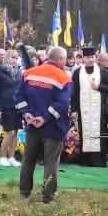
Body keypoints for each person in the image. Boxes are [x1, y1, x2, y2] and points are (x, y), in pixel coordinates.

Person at [14, 45, 72, 203]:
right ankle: (47, 196)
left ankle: (24, 192)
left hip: (31, 124)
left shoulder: (30, 73)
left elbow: (18, 96)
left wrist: (26, 113)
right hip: (53, 127)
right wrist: (45, 118)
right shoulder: (63, 77)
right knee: (51, 162)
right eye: (65, 59)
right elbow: (62, 104)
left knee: (28, 159)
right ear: (60, 59)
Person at [70, 46, 108, 166]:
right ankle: (86, 160)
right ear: (83, 58)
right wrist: (73, 109)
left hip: (99, 110)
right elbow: (74, 92)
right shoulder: (77, 72)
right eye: (88, 57)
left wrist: (98, 87)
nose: (90, 59)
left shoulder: (102, 71)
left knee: (99, 133)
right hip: (83, 109)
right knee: (85, 133)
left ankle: (99, 160)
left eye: (92, 57)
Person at [0, 49, 23, 167]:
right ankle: (3, 157)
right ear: (7, 58)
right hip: (5, 105)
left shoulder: (19, 71)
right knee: (10, 132)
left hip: (18, 106)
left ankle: (12, 157)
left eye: (16, 57)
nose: (15, 59)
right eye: (13, 57)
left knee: (16, 132)